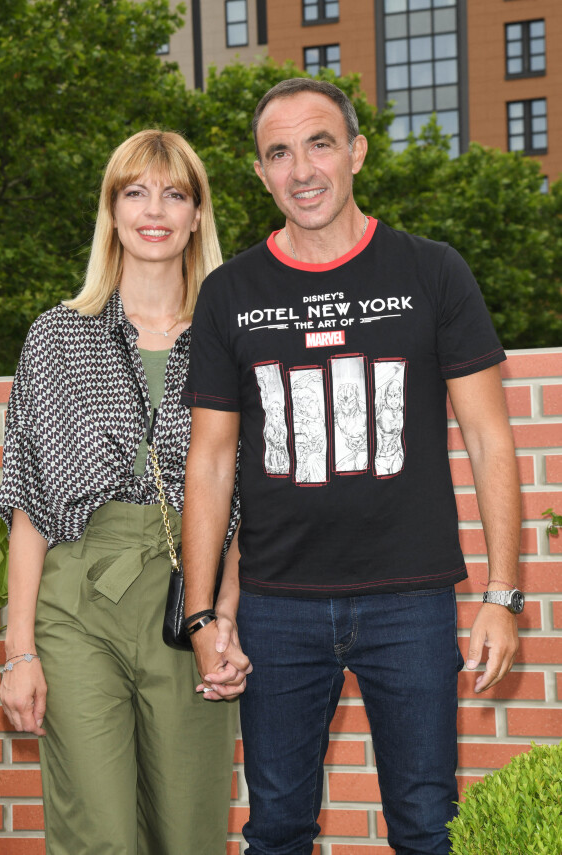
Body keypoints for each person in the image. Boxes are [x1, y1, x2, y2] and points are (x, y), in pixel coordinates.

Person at [180, 79, 523, 855]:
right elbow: (210, 460)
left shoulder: (432, 271)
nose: (302, 168)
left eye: (320, 142)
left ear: (358, 152)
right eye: (280, 152)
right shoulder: (229, 293)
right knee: (275, 830)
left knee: (429, 827)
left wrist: (502, 594)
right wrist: (204, 615)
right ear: (260, 172)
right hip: (277, 605)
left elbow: (489, 437)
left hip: (412, 598)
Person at [0, 129, 249, 855]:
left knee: (189, 830)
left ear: (198, 214)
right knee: (97, 834)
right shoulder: (56, 336)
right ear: (111, 211)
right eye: (134, 191)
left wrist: (223, 614)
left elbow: (248, 500)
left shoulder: (231, 340)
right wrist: (19, 651)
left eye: (174, 193)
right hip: (78, 599)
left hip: (188, 598)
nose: (154, 209)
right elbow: (29, 501)